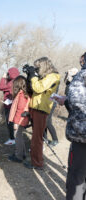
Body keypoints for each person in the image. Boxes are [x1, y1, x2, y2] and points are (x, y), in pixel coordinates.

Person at [53, 53, 86, 200]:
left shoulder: (83, 75)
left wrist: (66, 100)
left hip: (82, 140)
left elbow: (77, 103)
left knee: (77, 180)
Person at [23, 57, 60, 170]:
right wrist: (30, 76)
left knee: (37, 138)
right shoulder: (44, 77)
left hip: (41, 110)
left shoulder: (53, 76)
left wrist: (33, 76)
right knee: (36, 137)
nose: (37, 70)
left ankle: (37, 163)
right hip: (36, 108)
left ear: (43, 66)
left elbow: (38, 88)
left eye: (37, 67)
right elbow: (33, 89)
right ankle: (36, 160)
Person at [7, 76, 30, 163]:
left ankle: (19, 156)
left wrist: (16, 123)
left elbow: (20, 110)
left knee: (18, 138)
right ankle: (22, 153)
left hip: (20, 120)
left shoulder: (22, 95)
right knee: (20, 137)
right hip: (21, 120)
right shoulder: (23, 94)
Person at [0, 67, 20, 145]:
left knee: (9, 122)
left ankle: (12, 139)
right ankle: (15, 137)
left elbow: (1, 87)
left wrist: (3, 78)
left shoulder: (11, 82)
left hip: (9, 105)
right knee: (14, 122)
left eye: (9, 73)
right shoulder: (17, 81)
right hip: (12, 103)